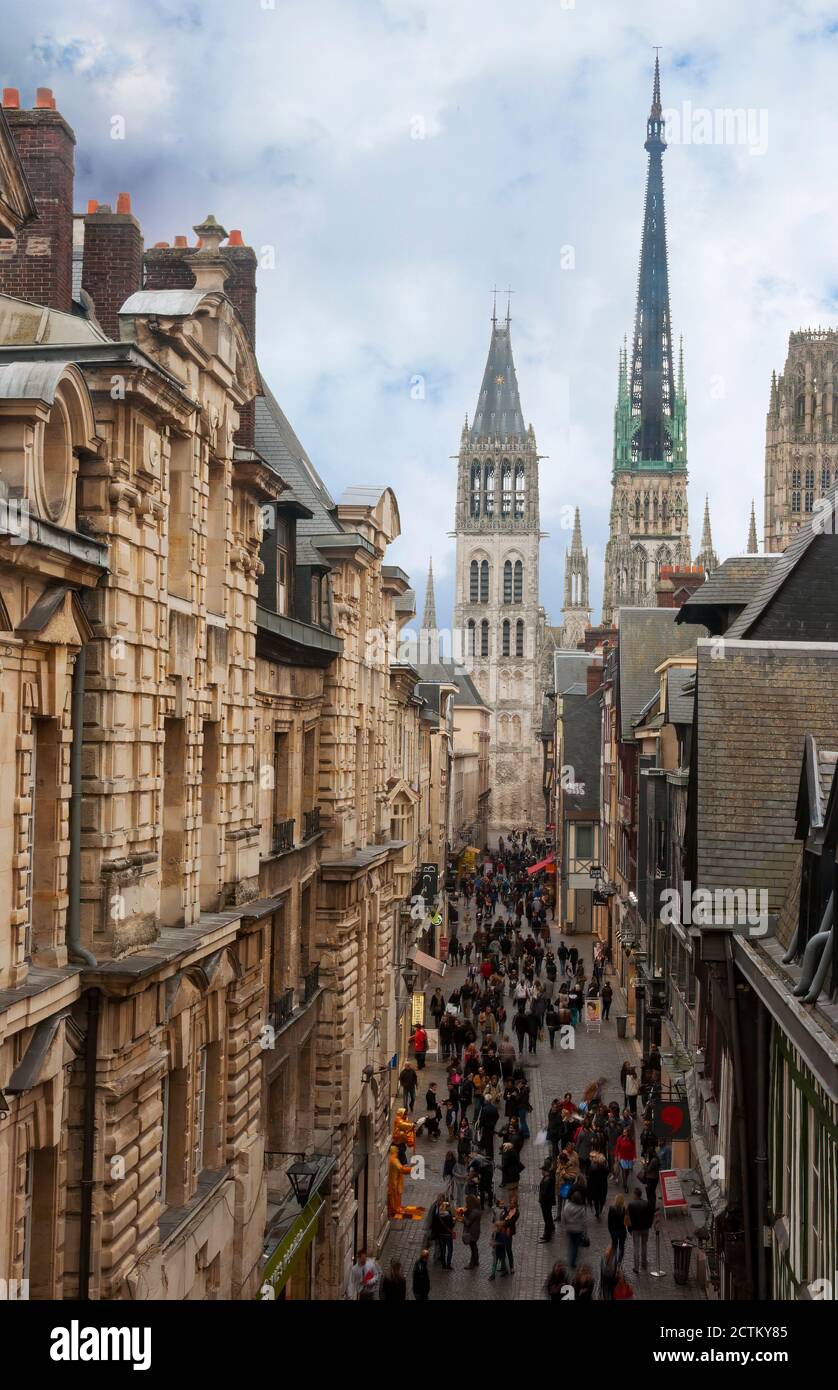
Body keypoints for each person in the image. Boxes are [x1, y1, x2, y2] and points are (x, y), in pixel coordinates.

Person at [626, 1185, 653, 1273]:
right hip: (645, 1228)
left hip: (636, 1229)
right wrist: (649, 1225)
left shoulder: (631, 1205)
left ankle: (636, 1267)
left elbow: (628, 1218)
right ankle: (644, 1264)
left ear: (635, 1194)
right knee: (644, 1246)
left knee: (636, 1247)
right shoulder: (647, 1203)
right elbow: (650, 1216)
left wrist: (629, 1229)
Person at [561, 1185, 589, 1269]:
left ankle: (570, 1258)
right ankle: (572, 1261)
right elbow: (584, 1221)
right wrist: (585, 1230)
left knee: (571, 1243)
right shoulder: (582, 1208)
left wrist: (564, 1226)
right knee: (575, 1245)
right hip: (578, 1229)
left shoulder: (567, 1205)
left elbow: (563, 1216)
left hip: (569, 1228)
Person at [538, 1160, 557, 1242]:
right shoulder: (547, 1178)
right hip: (545, 1202)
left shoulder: (548, 1180)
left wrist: (542, 1199)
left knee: (547, 1218)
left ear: (545, 1171)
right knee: (548, 1218)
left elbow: (545, 1193)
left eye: (542, 1170)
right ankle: (548, 1232)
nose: (541, 1171)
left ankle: (547, 1236)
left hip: (545, 1203)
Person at [462, 1193, 482, 1268]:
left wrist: (463, 1217)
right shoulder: (477, 1210)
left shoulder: (474, 1212)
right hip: (476, 1230)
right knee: (474, 1246)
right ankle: (476, 1261)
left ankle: (472, 1263)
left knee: (472, 1247)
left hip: (472, 1232)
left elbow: (468, 1223)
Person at [607, 1193, 628, 1264]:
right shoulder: (624, 1209)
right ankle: (619, 1261)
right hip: (622, 1231)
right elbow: (626, 1221)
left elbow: (609, 1221)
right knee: (621, 1247)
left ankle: (614, 1261)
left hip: (614, 1231)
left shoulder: (611, 1208)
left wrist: (610, 1230)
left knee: (614, 1246)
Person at [615, 1125, 637, 1193]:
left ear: (628, 1132)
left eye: (625, 1132)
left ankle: (625, 1181)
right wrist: (616, 1155)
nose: (624, 1133)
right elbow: (617, 1148)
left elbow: (634, 1149)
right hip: (622, 1157)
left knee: (627, 1172)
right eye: (623, 1132)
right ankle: (625, 1186)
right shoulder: (620, 1138)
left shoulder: (631, 1139)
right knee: (624, 1171)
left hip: (629, 1157)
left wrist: (634, 1157)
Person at [642, 1141, 661, 1212]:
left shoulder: (653, 1160)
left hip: (651, 1178)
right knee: (652, 1193)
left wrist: (644, 1164)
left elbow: (648, 1169)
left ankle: (651, 1208)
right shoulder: (656, 1159)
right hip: (655, 1178)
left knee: (650, 1193)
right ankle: (652, 1207)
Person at [437, 1200, 455, 1269]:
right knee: (450, 1250)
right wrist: (454, 1221)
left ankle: (443, 1265)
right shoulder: (448, 1215)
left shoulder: (438, 1215)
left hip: (441, 1234)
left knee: (443, 1249)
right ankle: (448, 1264)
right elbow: (451, 1226)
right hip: (448, 1235)